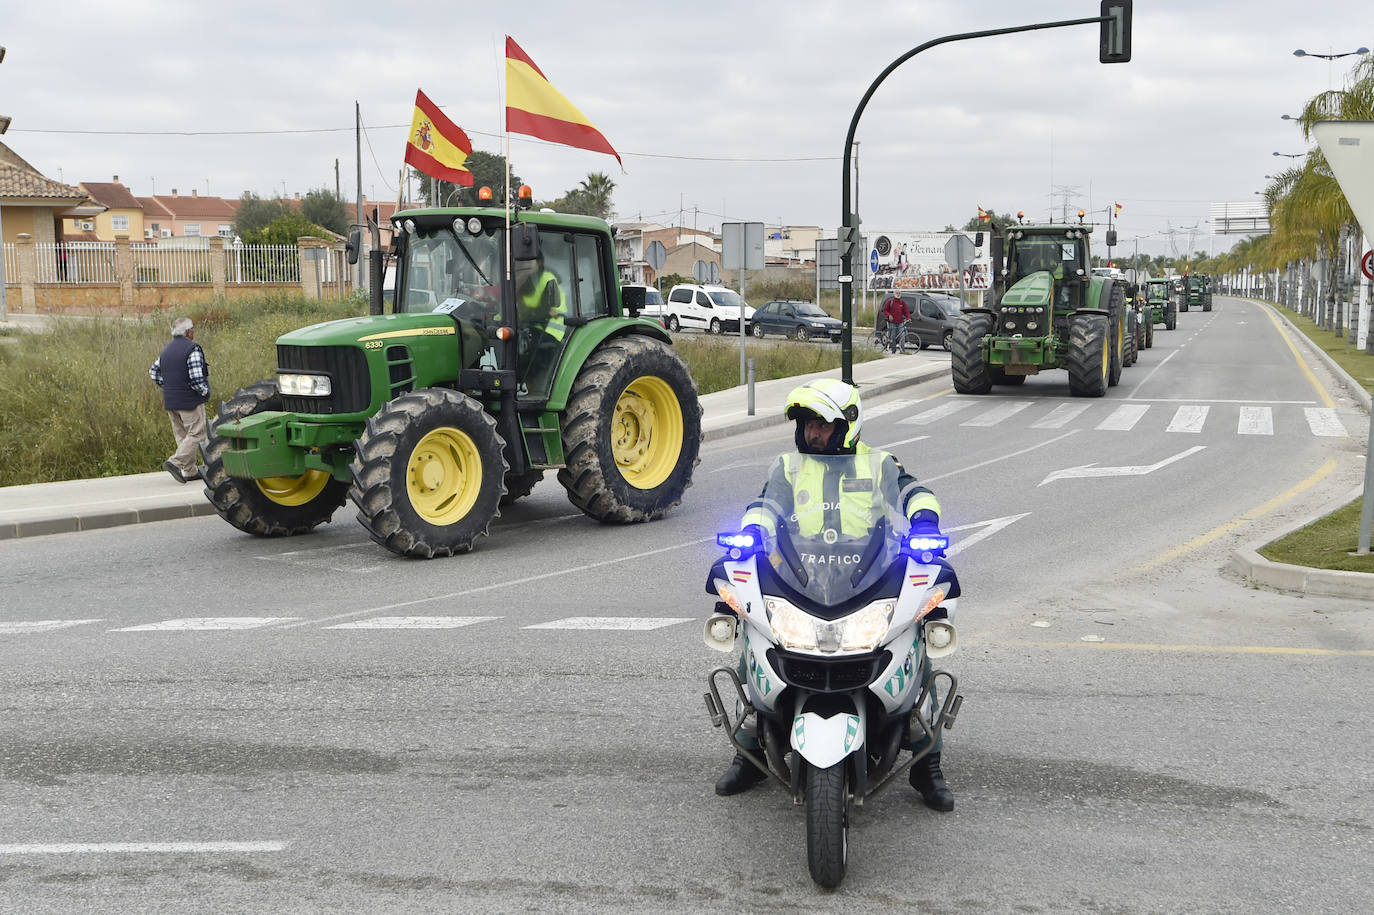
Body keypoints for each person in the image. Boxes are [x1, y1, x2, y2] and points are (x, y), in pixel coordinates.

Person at [712, 378, 955, 812]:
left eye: (822, 424)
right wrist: (751, 532)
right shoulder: (788, 467)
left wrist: (923, 523)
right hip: (803, 572)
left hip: (867, 574)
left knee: (913, 642)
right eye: (806, 424)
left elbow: (915, 491)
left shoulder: (880, 465)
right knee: (756, 634)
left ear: (848, 424)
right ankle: (748, 750)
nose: (812, 433)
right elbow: (766, 506)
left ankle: (927, 763)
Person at [149, 316, 210, 483]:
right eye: (193, 329)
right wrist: (203, 391)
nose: (194, 332)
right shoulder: (192, 349)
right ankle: (175, 462)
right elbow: (197, 378)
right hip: (189, 401)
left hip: (171, 401)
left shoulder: (166, 350)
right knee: (197, 433)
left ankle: (189, 472)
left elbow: (153, 372)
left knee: (183, 436)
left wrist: (169, 386)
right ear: (189, 332)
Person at [513, 252, 568, 397]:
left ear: (538, 262)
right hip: (532, 326)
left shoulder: (547, 278)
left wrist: (529, 315)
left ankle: (528, 389)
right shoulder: (523, 281)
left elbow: (545, 309)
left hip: (551, 330)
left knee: (523, 347)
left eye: (527, 261)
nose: (522, 265)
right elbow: (516, 308)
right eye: (520, 262)